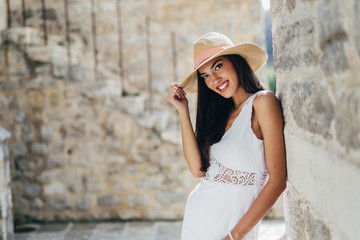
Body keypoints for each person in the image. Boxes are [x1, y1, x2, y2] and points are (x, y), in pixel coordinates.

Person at [166, 32, 286, 240]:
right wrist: (183, 112)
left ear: (236, 61)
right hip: (197, 224)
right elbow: (198, 170)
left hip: (232, 233)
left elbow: (277, 181)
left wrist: (233, 236)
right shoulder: (221, 115)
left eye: (218, 66)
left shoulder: (262, 103)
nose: (214, 80)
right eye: (205, 76)